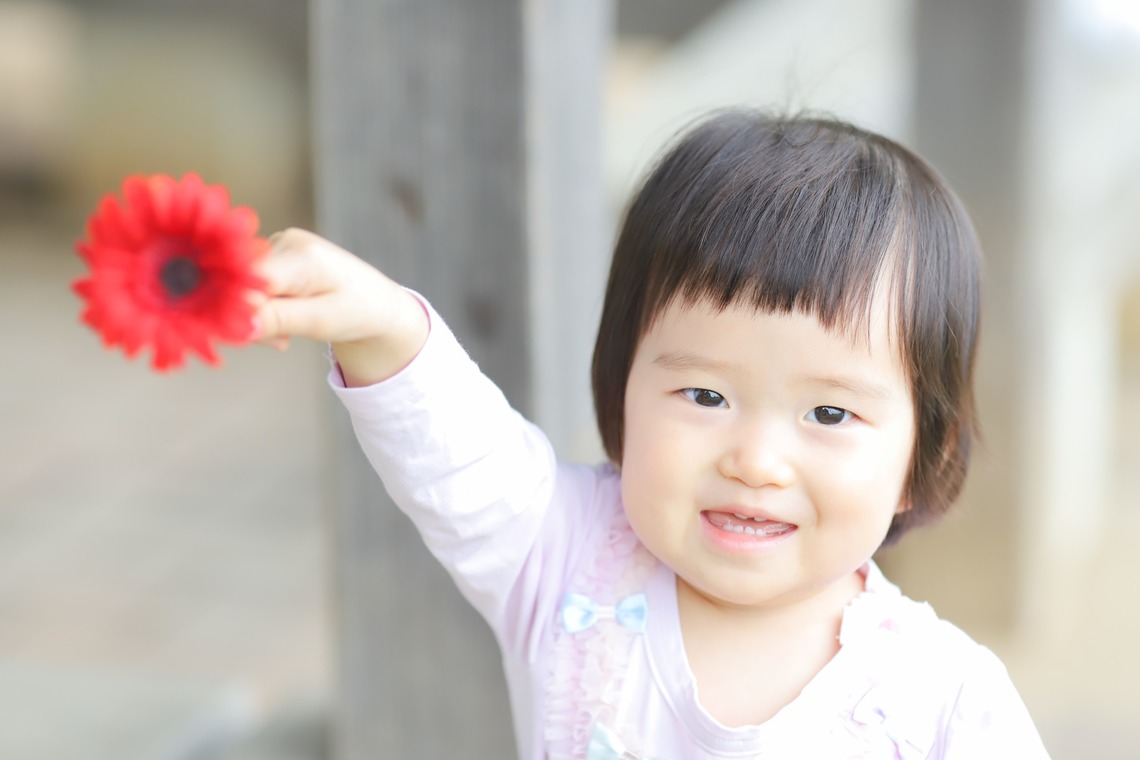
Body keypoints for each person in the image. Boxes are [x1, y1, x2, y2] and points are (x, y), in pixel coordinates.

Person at [253, 110, 1049, 758]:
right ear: (620, 392)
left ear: (923, 456)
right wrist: (383, 327)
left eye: (829, 414)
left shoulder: (946, 704)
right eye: (704, 394)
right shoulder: (565, 557)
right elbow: (457, 454)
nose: (756, 461)